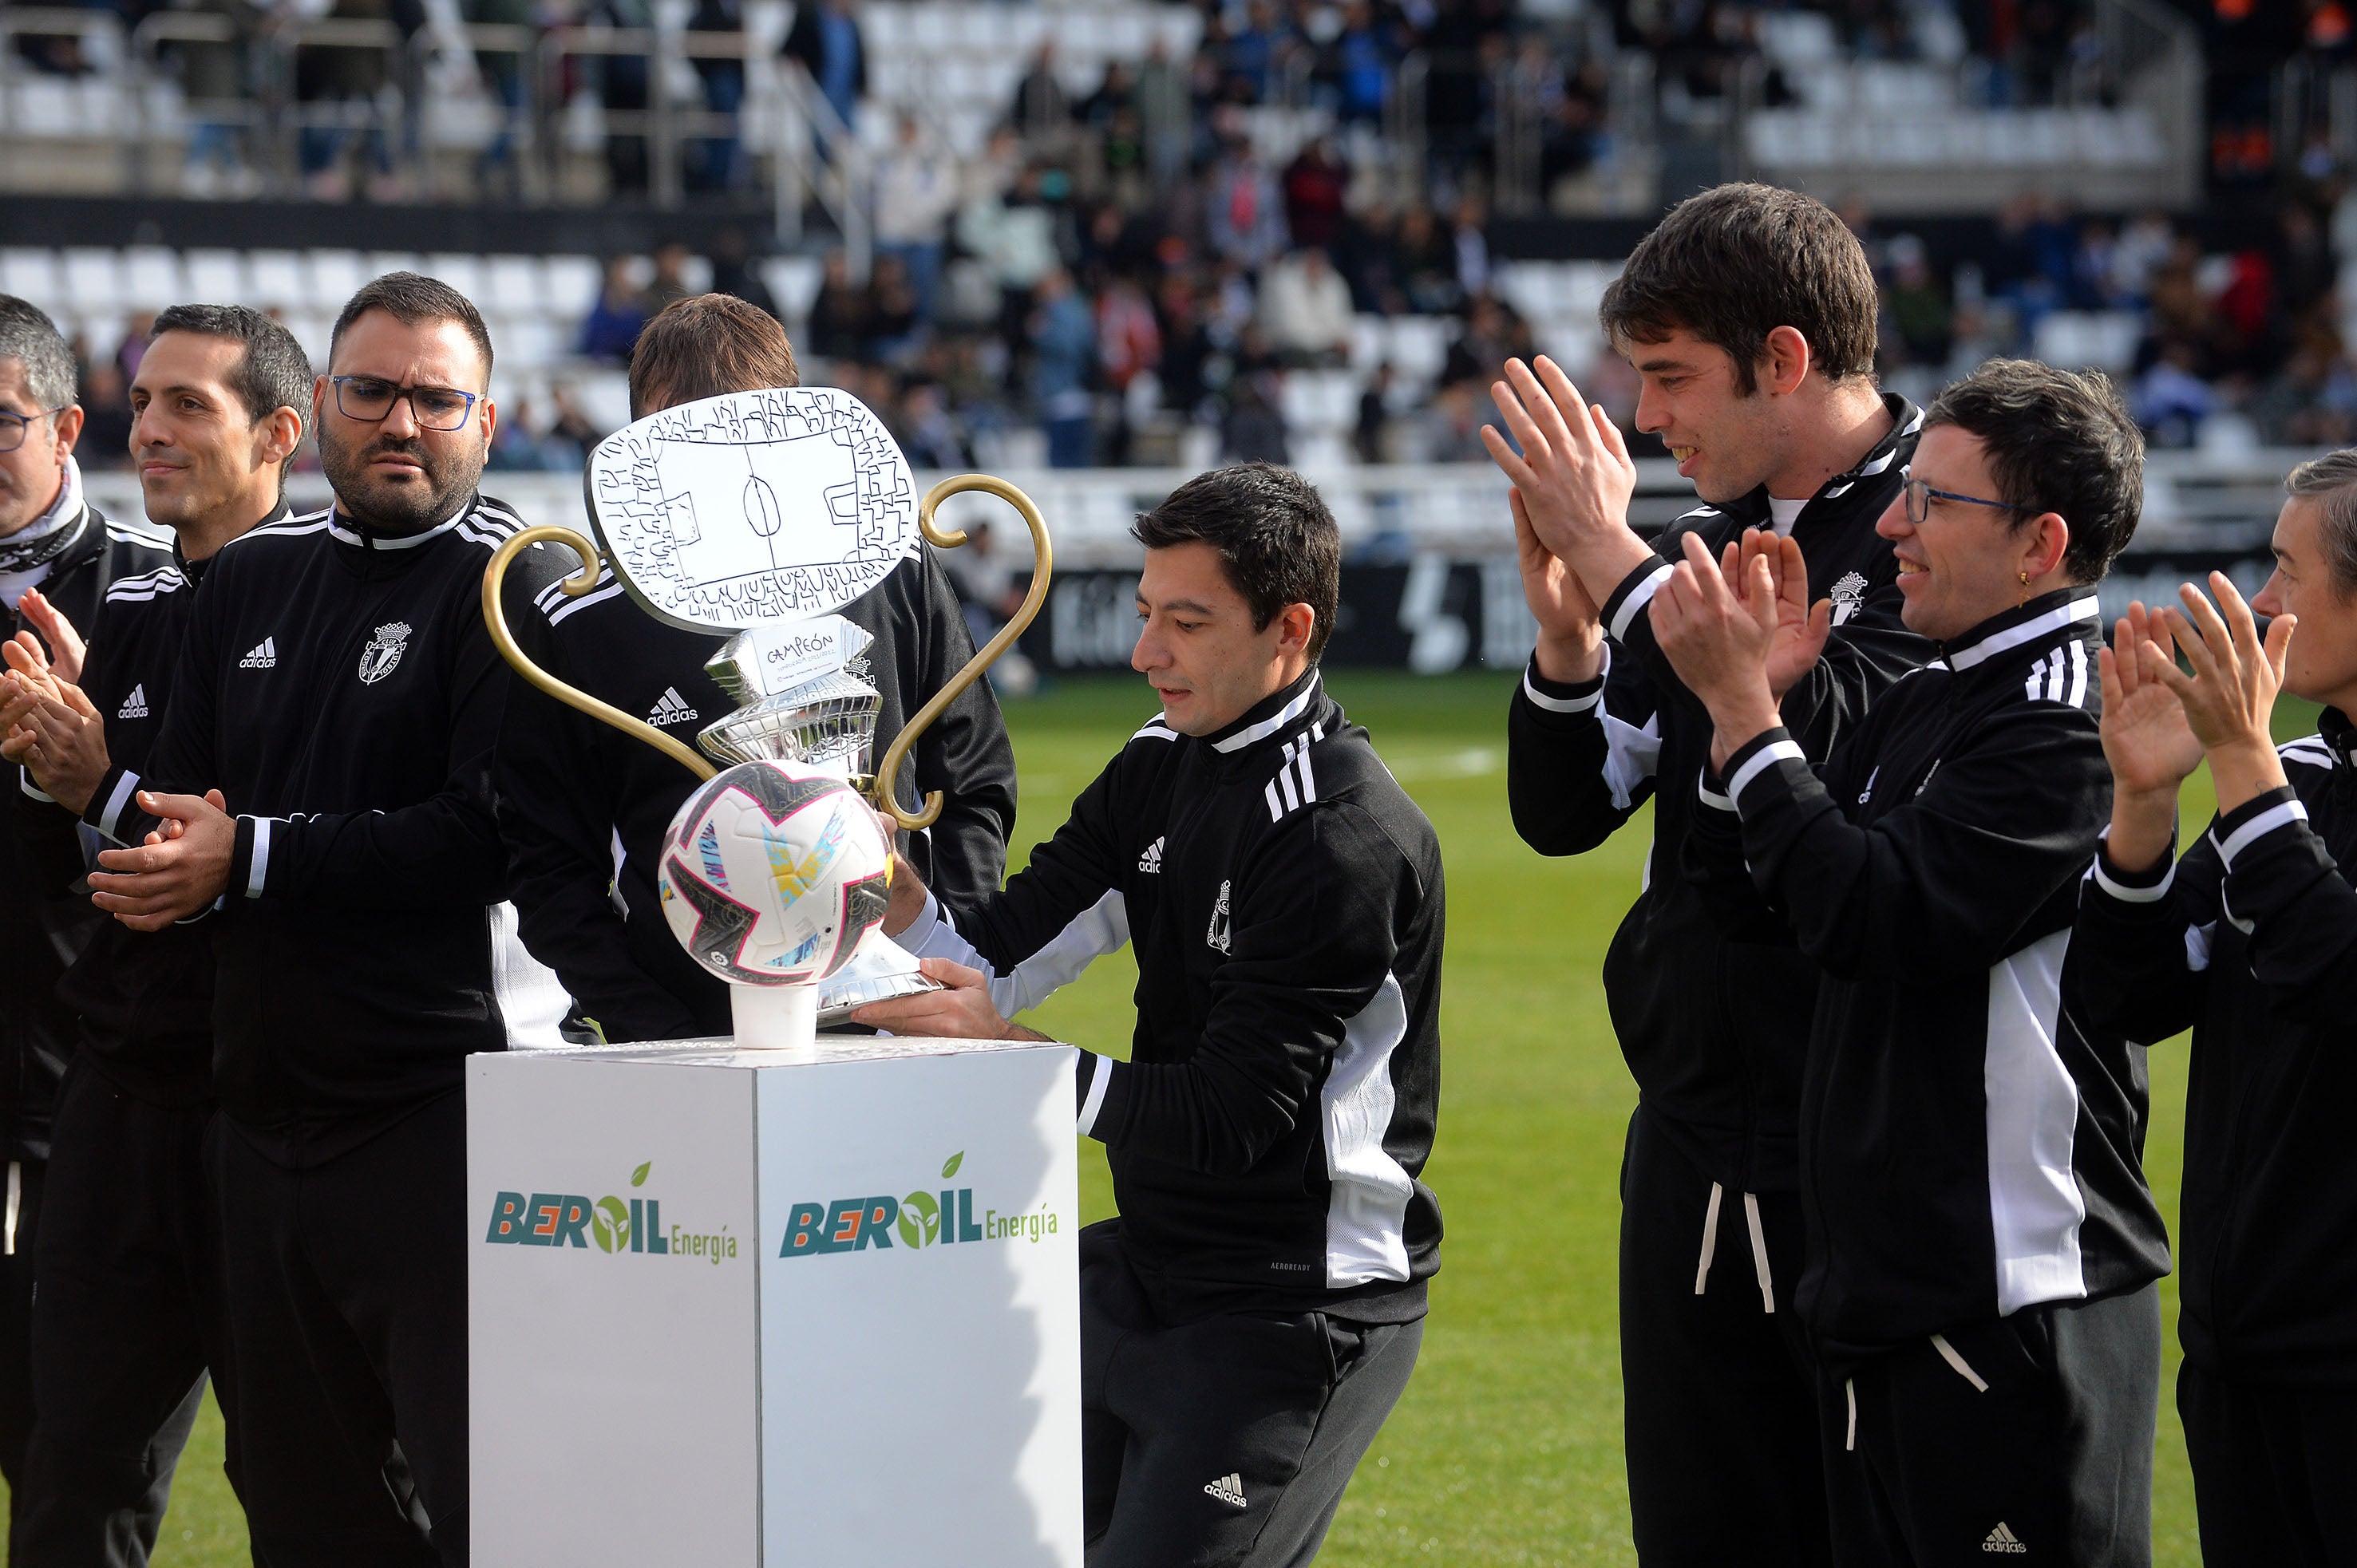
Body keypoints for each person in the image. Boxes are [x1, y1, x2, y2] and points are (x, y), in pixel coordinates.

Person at [854, 463, 1443, 1567]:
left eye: (1186, 621)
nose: (1145, 652)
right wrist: (870, 879)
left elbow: (1233, 1114)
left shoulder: (1339, 838)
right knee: (960, 1521)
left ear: (1290, 629)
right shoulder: (1157, 765)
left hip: (1291, 1310)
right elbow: (991, 956)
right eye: (1143, 614)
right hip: (1146, 1271)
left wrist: (1010, 1055)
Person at [84, 273, 574, 1566]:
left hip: (446, 1121)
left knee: (486, 1507)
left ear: (486, 415)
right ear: (323, 408)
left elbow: (480, 836)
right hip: (258, 1125)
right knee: (299, 1505)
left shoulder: (517, 587)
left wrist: (243, 858)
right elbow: (181, 814)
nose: (401, 420)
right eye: (372, 391)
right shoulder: (245, 583)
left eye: (436, 396)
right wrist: (131, 832)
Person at [1652, 358, 2168, 1565]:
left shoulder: (2061, 722)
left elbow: (1875, 918)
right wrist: (1762, 720)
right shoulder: (1940, 687)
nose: (1889, 523)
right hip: (1894, 1299)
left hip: (2006, 1310)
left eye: (1934, 503)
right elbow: (1752, 903)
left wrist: (1743, 719)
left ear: (2041, 545)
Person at [1490, 183, 1928, 1566]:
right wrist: (1568, 640)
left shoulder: (1934, 528)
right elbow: (1567, 815)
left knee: (1856, 1524)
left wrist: (1616, 560)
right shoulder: (1716, 530)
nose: (1646, 419)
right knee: (1699, 1526)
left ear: (1783, 359)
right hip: (1686, 1131)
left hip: (1851, 1149)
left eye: (1670, 377)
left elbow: (1839, 760)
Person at [495, 291, 1017, 1045]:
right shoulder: (583, 617)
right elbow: (547, 859)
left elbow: (972, 776)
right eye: (693, 440)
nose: (734, 476)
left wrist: (940, 949)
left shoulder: (893, 567)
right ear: (642, 438)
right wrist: (654, 1025)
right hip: (687, 1039)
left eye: (750, 433)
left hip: (906, 1022)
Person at [0, 305, 310, 1563]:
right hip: (119, 1102)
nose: (156, 429)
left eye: (191, 404)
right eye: (150, 401)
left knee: (312, 1481)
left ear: (278, 434)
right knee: (71, 1477)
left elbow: (241, 846)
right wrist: (70, 775)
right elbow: (117, 863)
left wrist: (101, 786)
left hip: (282, 1109)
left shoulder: (343, 614)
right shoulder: (134, 605)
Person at [2073, 450, 2357, 1564]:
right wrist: (2143, 809)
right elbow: (2125, 997)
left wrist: (2241, 762)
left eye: (2286, 569)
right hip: (2241, 1351)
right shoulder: (2298, 779)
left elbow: (2338, 976)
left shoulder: (2270, 782)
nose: (2265, 602)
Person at [0, 294, 176, 1530]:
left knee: (74, 1467)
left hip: (93, 1093)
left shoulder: (155, 597)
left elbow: (194, 837)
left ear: (66, 426)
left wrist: (89, 764)